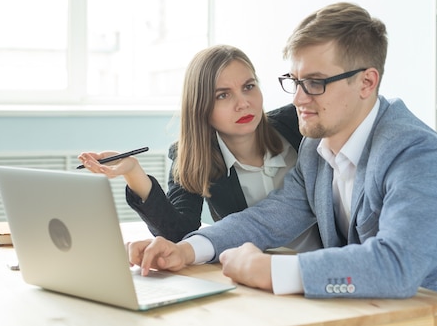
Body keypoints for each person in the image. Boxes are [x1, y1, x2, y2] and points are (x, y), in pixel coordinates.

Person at [126, 3, 437, 326]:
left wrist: (275, 272)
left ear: (367, 83)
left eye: (315, 82)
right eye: (294, 81)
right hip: (375, 314)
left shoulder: (416, 153)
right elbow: (265, 220)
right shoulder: (319, 151)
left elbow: (397, 265)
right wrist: (189, 250)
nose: (299, 98)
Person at [78, 44, 321, 250]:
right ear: (200, 107)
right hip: (260, 278)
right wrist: (133, 172)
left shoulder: (299, 122)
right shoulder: (195, 157)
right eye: (223, 95)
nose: (243, 103)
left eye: (248, 86)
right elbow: (178, 233)